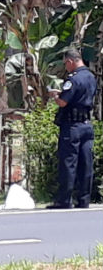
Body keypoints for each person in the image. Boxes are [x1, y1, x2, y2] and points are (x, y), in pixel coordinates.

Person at [47, 49, 97, 209]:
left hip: (72, 126)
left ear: (70, 61)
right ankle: (84, 199)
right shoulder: (91, 77)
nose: (66, 67)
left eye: (65, 64)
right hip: (87, 125)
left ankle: (64, 200)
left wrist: (55, 96)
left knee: (68, 162)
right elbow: (81, 96)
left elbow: (63, 102)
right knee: (86, 163)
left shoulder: (73, 79)